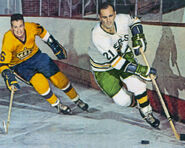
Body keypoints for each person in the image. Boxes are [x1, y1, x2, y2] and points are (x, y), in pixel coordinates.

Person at [88, 2, 160, 128]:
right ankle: (135, 102)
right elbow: (116, 62)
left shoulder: (122, 18)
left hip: (124, 55)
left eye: (110, 16)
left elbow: (134, 21)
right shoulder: (97, 35)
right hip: (104, 68)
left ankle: (146, 112)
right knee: (123, 101)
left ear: (115, 14)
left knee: (138, 84)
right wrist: (140, 69)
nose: (108, 20)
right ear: (99, 17)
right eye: (104, 17)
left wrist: (138, 35)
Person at [0, 13, 88, 114]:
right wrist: (8, 77)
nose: (19, 30)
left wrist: (54, 46)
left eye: (20, 26)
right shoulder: (8, 39)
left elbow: (43, 33)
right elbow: (3, 64)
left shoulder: (31, 27)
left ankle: (76, 99)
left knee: (59, 79)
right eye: (15, 27)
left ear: (24, 25)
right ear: (11, 28)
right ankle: (57, 104)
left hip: (36, 56)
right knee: (40, 82)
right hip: (20, 65)